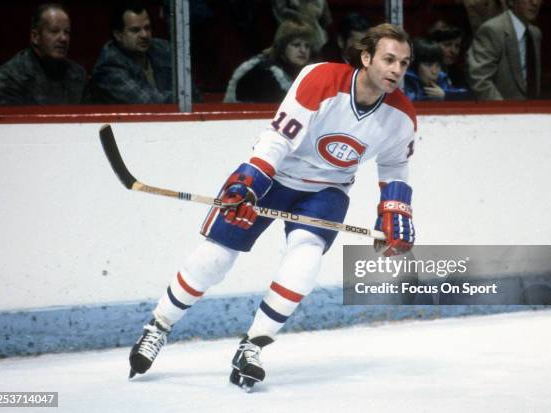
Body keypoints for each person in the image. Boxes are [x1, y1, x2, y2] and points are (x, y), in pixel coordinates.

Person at [128, 23, 417, 391]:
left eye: (404, 63)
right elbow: (279, 137)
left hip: (328, 190)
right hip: (275, 176)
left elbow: (394, 166)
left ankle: (253, 346)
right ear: (365, 57)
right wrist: (249, 185)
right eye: (389, 59)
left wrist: (395, 212)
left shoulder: (402, 116)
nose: (396, 70)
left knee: (305, 262)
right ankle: (158, 326)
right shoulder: (322, 79)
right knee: (216, 257)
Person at [0, 3, 88, 105]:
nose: (64, 38)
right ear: (35, 36)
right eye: (54, 31)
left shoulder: (78, 75)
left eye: (67, 32)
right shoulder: (7, 80)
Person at [92, 1, 173, 104]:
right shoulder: (108, 67)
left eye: (147, 28)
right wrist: (184, 98)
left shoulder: (164, 48)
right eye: (135, 30)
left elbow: (192, 92)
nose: (144, 35)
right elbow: (148, 103)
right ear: (118, 35)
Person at [223, 18, 315, 103]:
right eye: (296, 45)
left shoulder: (310, 73)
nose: (303, 50)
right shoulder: (263, 73)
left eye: (307, 46)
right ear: (282, 47)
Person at [466, 0, 542, 100]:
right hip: (502, 112)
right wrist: (505, 111)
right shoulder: (492, 30)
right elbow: (479, 80)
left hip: (533, 112)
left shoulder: (535, 34)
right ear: (511, 2)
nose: (535, 2)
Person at [404, 38, 471, 101]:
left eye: (438, 65)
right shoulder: (405, 80)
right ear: (414, 65)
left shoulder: (441, 78)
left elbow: (467, 94)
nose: (435, 71)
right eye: (428, 65)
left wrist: (445, 95)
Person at [426, 20, 468, 89]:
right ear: (433, 45)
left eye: (457, 46)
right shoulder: (425, 74)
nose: (453, 51)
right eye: (447, 45)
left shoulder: (458, 74)